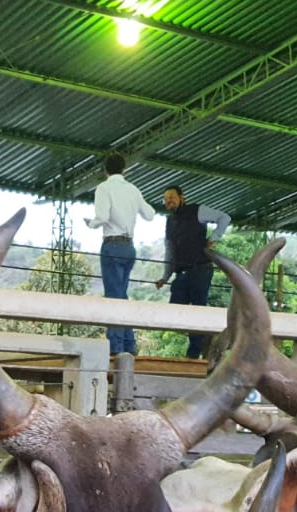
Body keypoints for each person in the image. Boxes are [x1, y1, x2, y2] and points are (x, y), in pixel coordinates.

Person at [85, 153, 156, 358]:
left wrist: (91, 224)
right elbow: (150, 214)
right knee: (122, 295)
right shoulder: (133, 189)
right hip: (129, 246)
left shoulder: (104, 188)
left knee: (113, 297)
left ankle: (116, 347)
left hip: (112, 244)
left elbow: (103, 216)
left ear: (105, 170)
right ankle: (128, 343)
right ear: (124, 169)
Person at [157, 184, 231, 359]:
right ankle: (203, 338)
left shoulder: (197, 210)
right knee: (175, 308)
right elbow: (170, 251)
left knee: (198, 310)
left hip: (200, 269)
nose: (169, 201)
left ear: (182, 198)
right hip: (181, 273)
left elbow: (224, 218)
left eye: (172, 197)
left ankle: (194, 353)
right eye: (166, 198)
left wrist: (213, 239)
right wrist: (165, 276)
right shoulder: (170, 221)